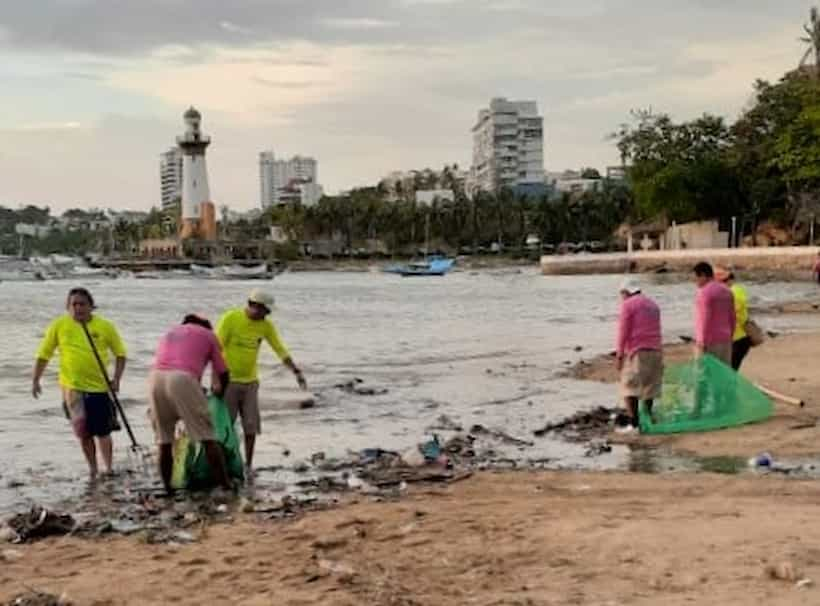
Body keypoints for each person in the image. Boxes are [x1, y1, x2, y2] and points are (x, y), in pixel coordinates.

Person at [32, 287, 127, 480]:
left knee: (103, 431)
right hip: (72, 389)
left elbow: (120, 354)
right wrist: (36, 379)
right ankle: (93, 469)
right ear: (68, 307)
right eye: (73, 304)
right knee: (83, 433)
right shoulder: (59, 325)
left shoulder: (105, 326)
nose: (78, 308)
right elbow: (44, 354)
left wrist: (116, 379)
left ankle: (108, 469)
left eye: (82, 304)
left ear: (91, 306)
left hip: (99, 388)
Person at [216, 289, 307, 472]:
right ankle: (225, 465)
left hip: (250, 383)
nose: (268, 314)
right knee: (226, 427)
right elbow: (215, 348)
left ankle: (248, 465)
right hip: (229, 382)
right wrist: (215, 378)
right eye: (266, 310)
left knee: (251, 426)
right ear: (255, 306)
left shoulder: (266, 326)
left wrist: (296, 370)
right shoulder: (230, 318)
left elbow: (279, 348)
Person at [149, 314, 232, 493]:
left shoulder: (170, 333)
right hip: (183, 379)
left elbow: (177, 364)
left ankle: (167, 489)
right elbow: (223, 372)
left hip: (155, 379)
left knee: (164, 440)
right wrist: (221, 394)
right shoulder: (209, 335)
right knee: (208, 437)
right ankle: (225, 486)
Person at [614, 278, 663, 432]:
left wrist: (619, 355)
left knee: (629, 386)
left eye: (622, 294)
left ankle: (634, 423)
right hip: (656, 351)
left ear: (626, 292)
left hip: (638, 351)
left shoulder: (628, 305)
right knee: (650, 386)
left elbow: (623, 332)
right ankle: (647, 418)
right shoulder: (653, 305)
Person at [692, 262, 735, 366]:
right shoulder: (727, 291)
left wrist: (701, 342)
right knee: (723, 375)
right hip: (725, 339)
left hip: (709, 341)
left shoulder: (704, 293)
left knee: (704, 377)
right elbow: (732, 317)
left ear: (703, 275)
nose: (694, 282)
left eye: (695, 278)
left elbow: (704, 319)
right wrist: (730, 336)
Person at [715, 267, 750, 370]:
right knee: (730, 370)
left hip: (737, 339)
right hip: (739, 337)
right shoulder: (737, 291)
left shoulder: (733, 292)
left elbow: (731, 314)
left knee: (729, 371)